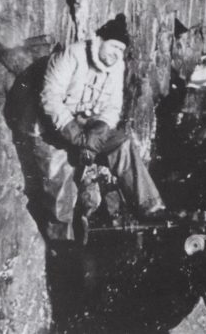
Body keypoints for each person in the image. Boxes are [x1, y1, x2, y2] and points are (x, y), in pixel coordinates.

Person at [36, 14, 166, 240]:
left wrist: (95, 138)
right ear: (100, 40)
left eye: (121, 51)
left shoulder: (116, 66)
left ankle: (150, 208)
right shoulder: (72, 55)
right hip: (53, 128)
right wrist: (79, 140)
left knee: (122, 145)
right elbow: (50, 99)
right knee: (59, 190)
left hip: (88, 129)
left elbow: (113, 107)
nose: (117, 54)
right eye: (114, 46)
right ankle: (62, 246)